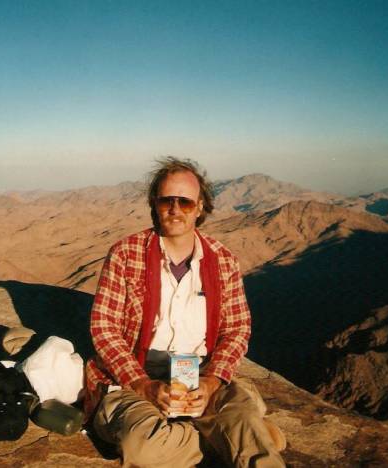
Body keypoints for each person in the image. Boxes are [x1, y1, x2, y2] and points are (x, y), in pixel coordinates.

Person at [85, 157, 285, 467]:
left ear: (201, 206)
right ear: (155, 203)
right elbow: (104, 327)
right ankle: (236, 436)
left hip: (200, 377)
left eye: (185, 202)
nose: (175, 209)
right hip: (137, 377)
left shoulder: (223, 261)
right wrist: (144, 385)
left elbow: (237, 330)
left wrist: (211, 382)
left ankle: (237, 432)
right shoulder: (126, 254)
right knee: (141, 447)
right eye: (167, 200)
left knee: (242, 421)